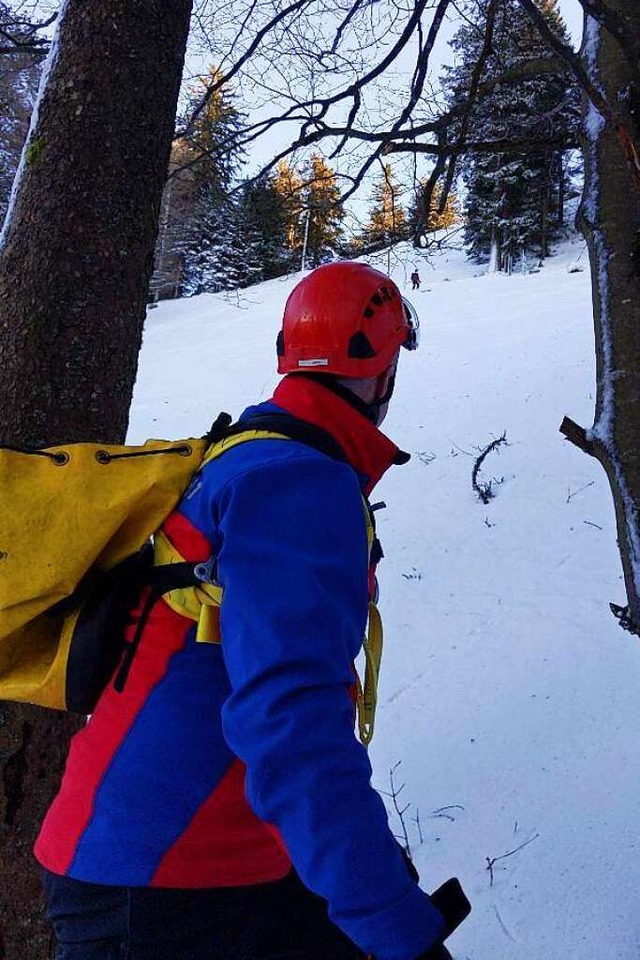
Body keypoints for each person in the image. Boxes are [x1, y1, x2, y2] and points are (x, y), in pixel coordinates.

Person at [35, 261, 470, 960]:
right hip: (165, 882)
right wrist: (397, 926)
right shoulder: (299, 485)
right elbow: (290, 722)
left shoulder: (250, 456)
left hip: (195, 859)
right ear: (383, 369)